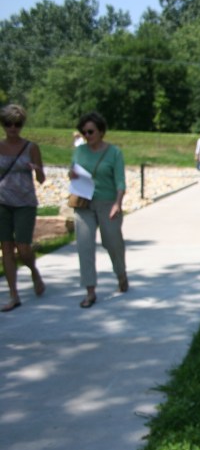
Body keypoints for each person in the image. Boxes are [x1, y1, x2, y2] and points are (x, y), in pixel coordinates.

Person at [70, 111, 127, 308]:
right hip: (84, 203)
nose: (87, 135)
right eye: (84, 132)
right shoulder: (80, 151)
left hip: (107, 202)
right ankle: (90, 291)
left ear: (101, 132)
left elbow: (120, 181)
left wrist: (117, 203)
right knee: (84, 245)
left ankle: (121, 273)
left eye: (90, 131)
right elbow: (74, 172)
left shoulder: (114, 153)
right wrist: (73, 175)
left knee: (112, 242)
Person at [0, 104, 46, 312]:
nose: (13, 128)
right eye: (8, 124)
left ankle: (33, 270)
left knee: (23, 246)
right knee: (7, 248)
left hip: (25, 202)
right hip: (2, 201)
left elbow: (42, 179)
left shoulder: (31, 147)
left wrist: (36, 170)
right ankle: (13, 295)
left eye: (17, 124)